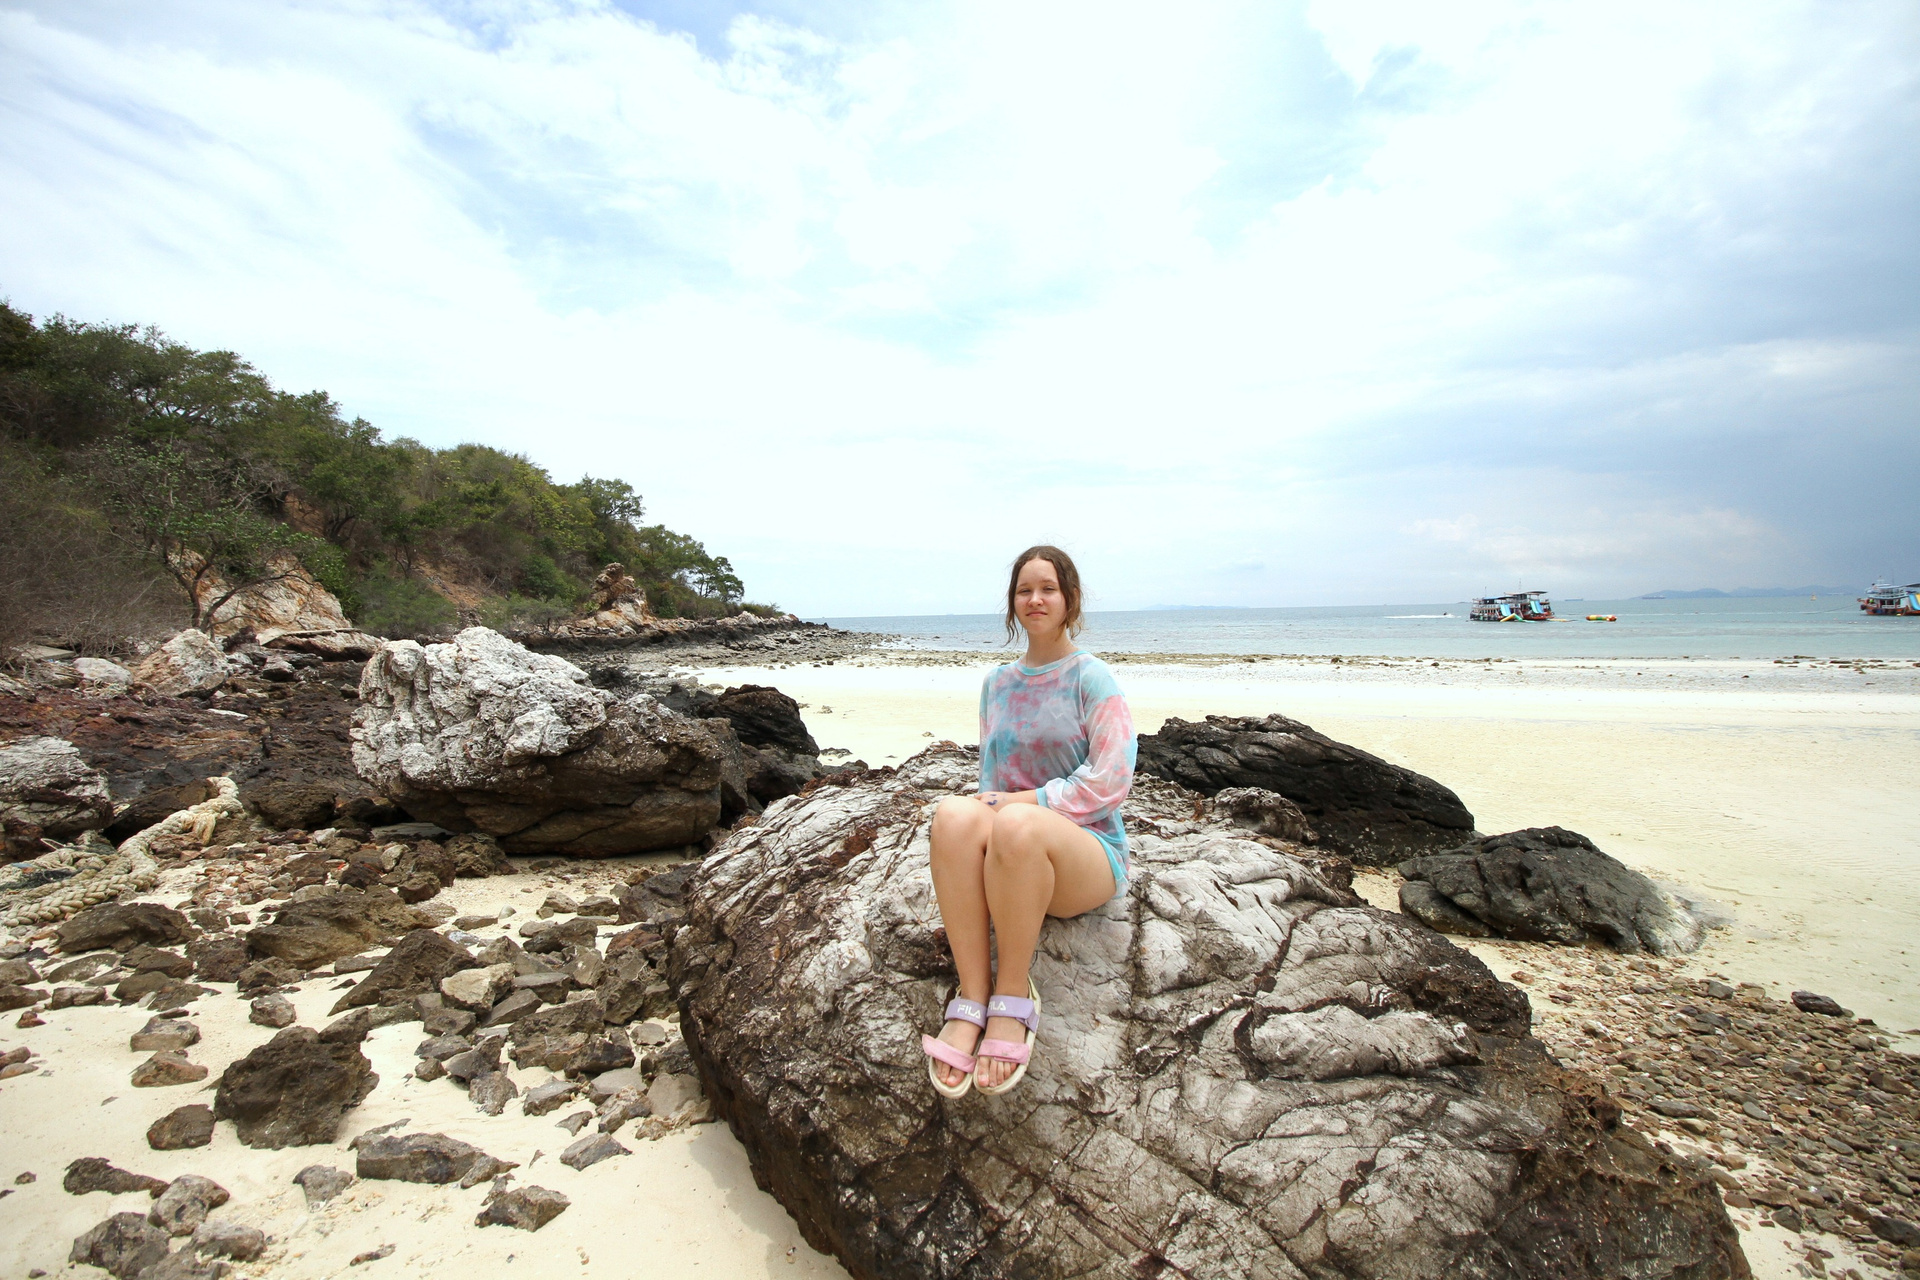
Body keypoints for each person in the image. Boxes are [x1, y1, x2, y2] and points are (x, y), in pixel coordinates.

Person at [919, 545, 1136, 1097]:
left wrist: (1025, 802)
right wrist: (988, 821)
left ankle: (1013, 995)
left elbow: (1110, 779)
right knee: (952, 815)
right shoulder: (997, 683)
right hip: (1017, 851)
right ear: (1013, 602)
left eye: (1048, 589)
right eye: (1024, 590)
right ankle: (973, 994)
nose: (1035, 599)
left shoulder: (1092, 678)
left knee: (1016, 823)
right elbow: (989, 784)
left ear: (1070, 600)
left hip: (1084, 855)